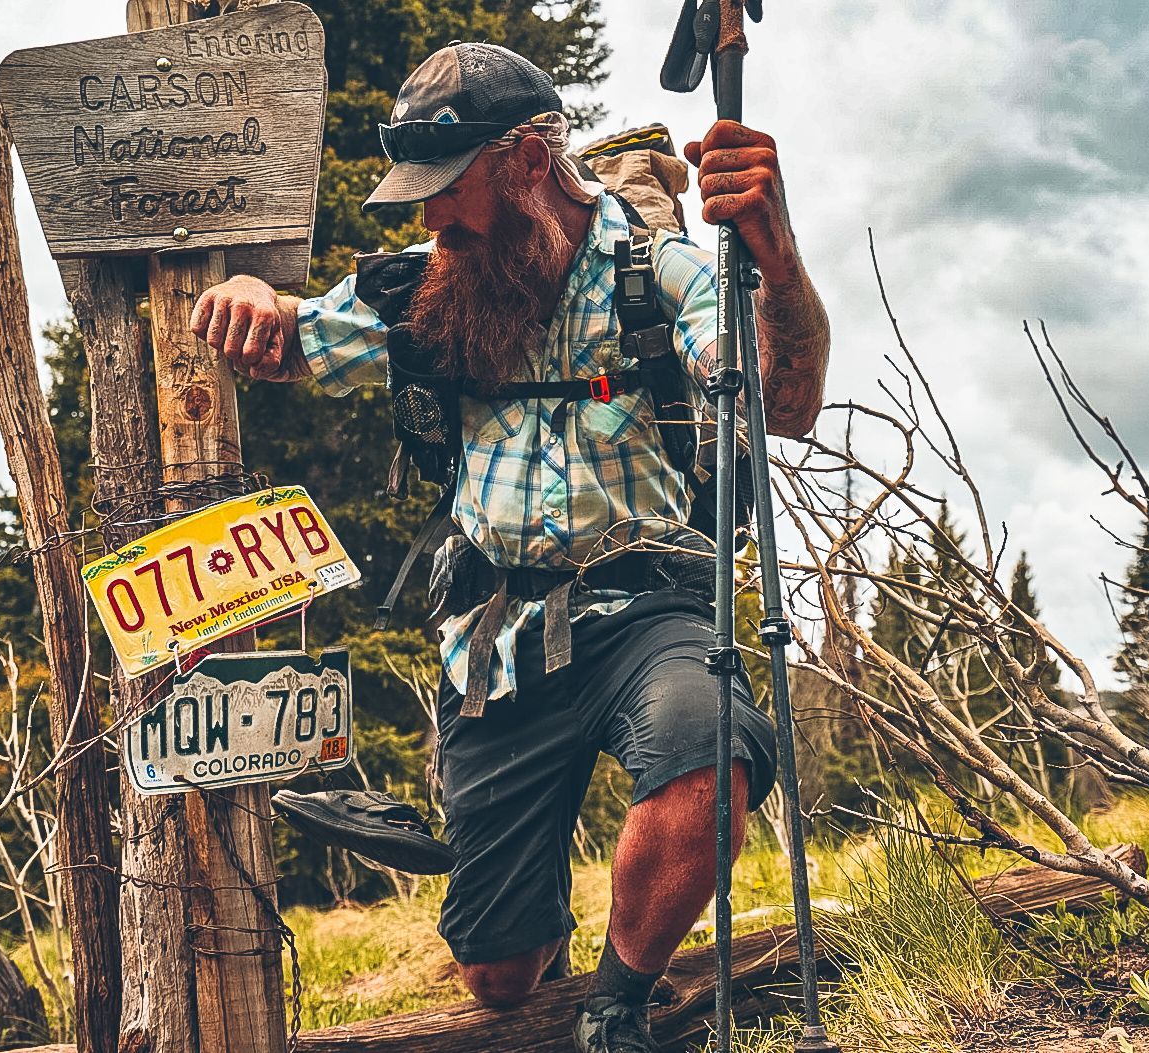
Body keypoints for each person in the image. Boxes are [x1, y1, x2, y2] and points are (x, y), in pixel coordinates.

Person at [192, 41, 829, 1053]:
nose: (430, 216)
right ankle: (551, 933)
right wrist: (255, 305)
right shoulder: (432, 289)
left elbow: (781, 397)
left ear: (527, 163)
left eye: (449, 190)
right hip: (492, 639)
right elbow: (295, 341)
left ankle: (620, 1008)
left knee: (705, 753)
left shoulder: (655, 273)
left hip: (645, 606)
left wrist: (775, 257)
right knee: (495, 976)